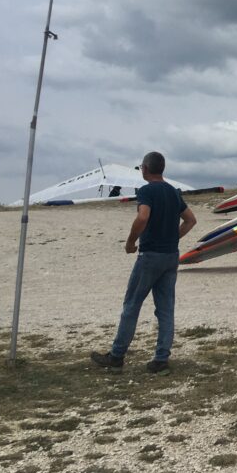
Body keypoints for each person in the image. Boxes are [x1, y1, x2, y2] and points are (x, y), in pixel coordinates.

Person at [91, 151, 196, 375]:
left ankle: (117, 356)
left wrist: (131, 242)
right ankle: (161, 359)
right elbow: (190, 220)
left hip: (150, 256)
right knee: (165, 309)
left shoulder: (147, 191)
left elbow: (142, 217)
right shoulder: (173, 192)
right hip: (171, 256)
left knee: (132, 305)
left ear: (145, 169)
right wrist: (173, 238)